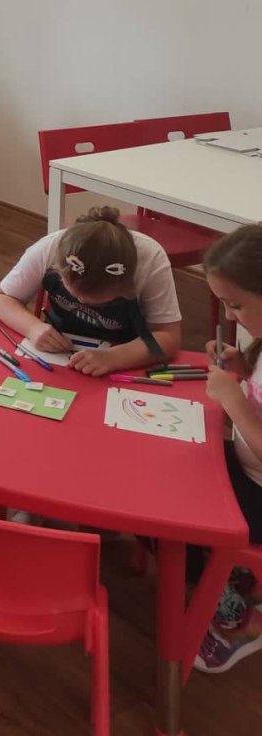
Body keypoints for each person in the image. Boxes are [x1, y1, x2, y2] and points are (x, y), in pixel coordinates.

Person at [0, 207, 181, 373]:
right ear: (59, 270)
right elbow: (2, 298)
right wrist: (33, 327)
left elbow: (169, 337)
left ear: (125, 284)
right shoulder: (49, 249)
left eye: (101, 300)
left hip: (127, 350)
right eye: (75, 294)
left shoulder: (150, 261)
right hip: (60, 346)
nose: (81, 302)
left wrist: (114, 358)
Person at [193, 224, 262, 674]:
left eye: (236, 305)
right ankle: (218, 573)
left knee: (172, 510)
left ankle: (243, 619)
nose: (230, 317)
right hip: (247, 472)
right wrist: (243, 367)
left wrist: (233, 400)